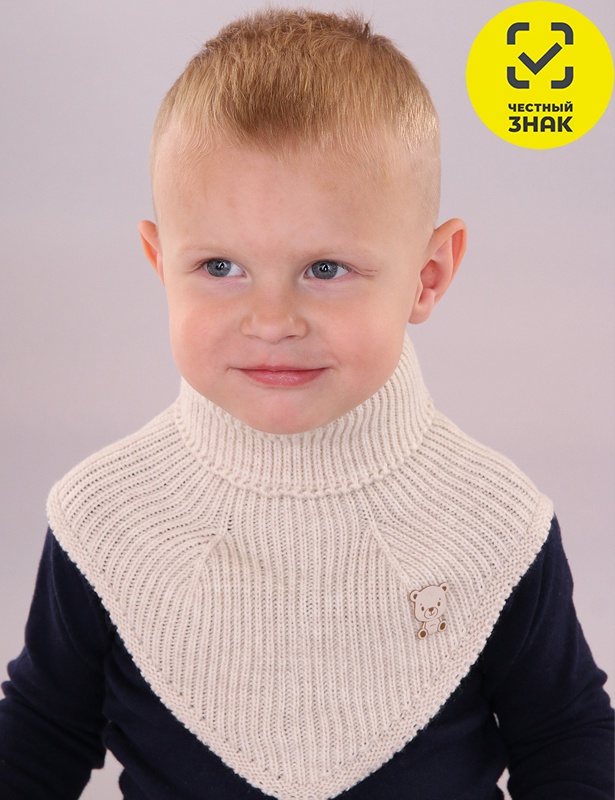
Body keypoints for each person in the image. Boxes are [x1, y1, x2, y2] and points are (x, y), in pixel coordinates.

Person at [0, 8, 612, 800]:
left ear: (427, 275)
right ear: (158, 263)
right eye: (219, 267)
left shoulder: (492, 521)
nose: (270, 321)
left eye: (324, 269)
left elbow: (565, 738)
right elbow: (41, 738)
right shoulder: (105, 519)